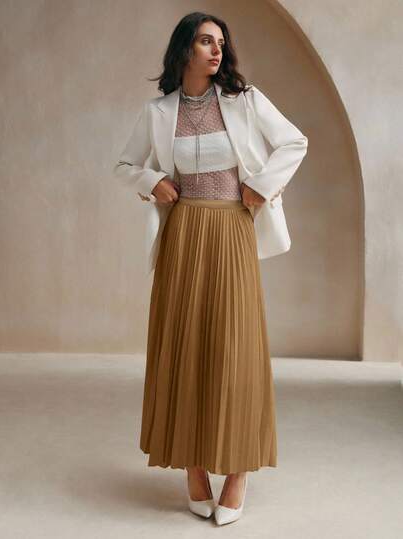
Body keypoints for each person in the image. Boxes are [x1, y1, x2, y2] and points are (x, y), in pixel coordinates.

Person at [113, 11, 308, 525]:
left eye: (220, 42)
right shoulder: (159, 111)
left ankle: (238, 473)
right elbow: (124, 165)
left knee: (235, 348)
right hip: (181, 235)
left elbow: (294, 142)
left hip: (231, 230)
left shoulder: (245, 100)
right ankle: (194, 470)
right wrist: (152, 181)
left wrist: (261, 186)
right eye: (205, 41)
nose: (217, 50)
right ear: (185, 50)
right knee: (185, 346)